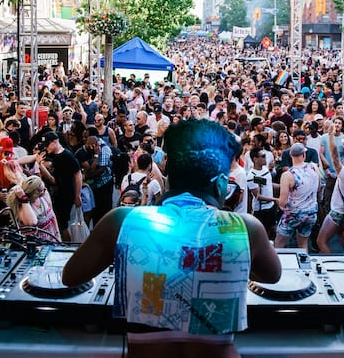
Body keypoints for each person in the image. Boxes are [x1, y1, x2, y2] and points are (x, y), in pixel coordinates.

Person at [61, 119, 281, 358]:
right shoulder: (246, 228)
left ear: (167, 175)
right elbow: (272, 275)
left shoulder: (121, 220)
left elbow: (70, 276)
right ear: (220, 183)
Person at [36, 131, 82, 240]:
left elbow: (78, 174)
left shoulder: (67, 155)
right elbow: (33, 157)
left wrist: (77, 195)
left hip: (65, 194)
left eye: (48, 144)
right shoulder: (51, 154)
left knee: (62, 225)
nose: (46, 147)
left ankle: (67, 246)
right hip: (55, 194)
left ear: (54, 142)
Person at [275, 143, 320, 250]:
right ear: (304, 154)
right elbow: (318, 188)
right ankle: (305, 265)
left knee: (279, 245)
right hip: (311, 213)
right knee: (303, 244)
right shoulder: (314, 167)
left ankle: (277, 266)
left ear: (291, 156)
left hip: (293, 214)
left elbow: (283, 202)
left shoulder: (288, 175)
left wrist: (276, 201)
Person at [7, 175, 61, 242]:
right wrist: (24, 200)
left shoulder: (44, 195)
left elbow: (52, 215)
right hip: (35, 243)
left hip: (51, 238)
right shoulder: (23, 206)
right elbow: (32, 222)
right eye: (42, 190)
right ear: (35, 193)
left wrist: (57, 234)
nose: (45, 190)